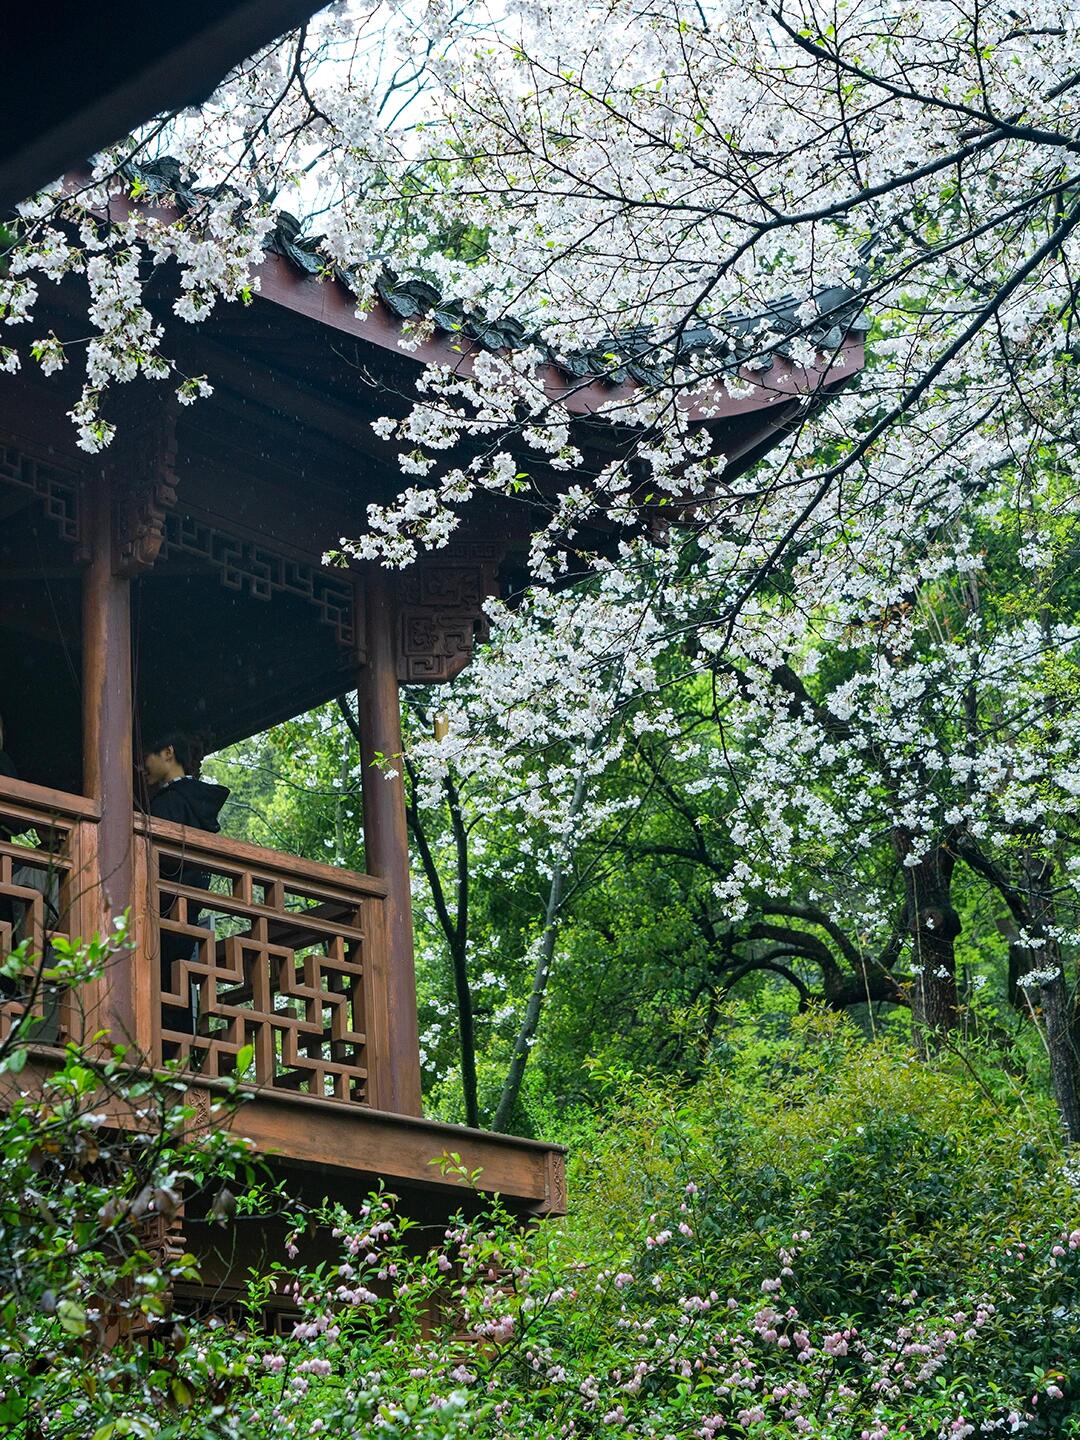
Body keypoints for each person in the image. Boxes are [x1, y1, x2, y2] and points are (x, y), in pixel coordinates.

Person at [141, 732, 229, 1049]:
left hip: (162, 909)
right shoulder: (198, 806)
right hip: (188, 911)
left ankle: (162, 1052)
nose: (142, 766)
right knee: (178, 982)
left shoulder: (169, 804)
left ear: (167, 752)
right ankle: (180, 1054)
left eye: (146, 757)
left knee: (158, 981)